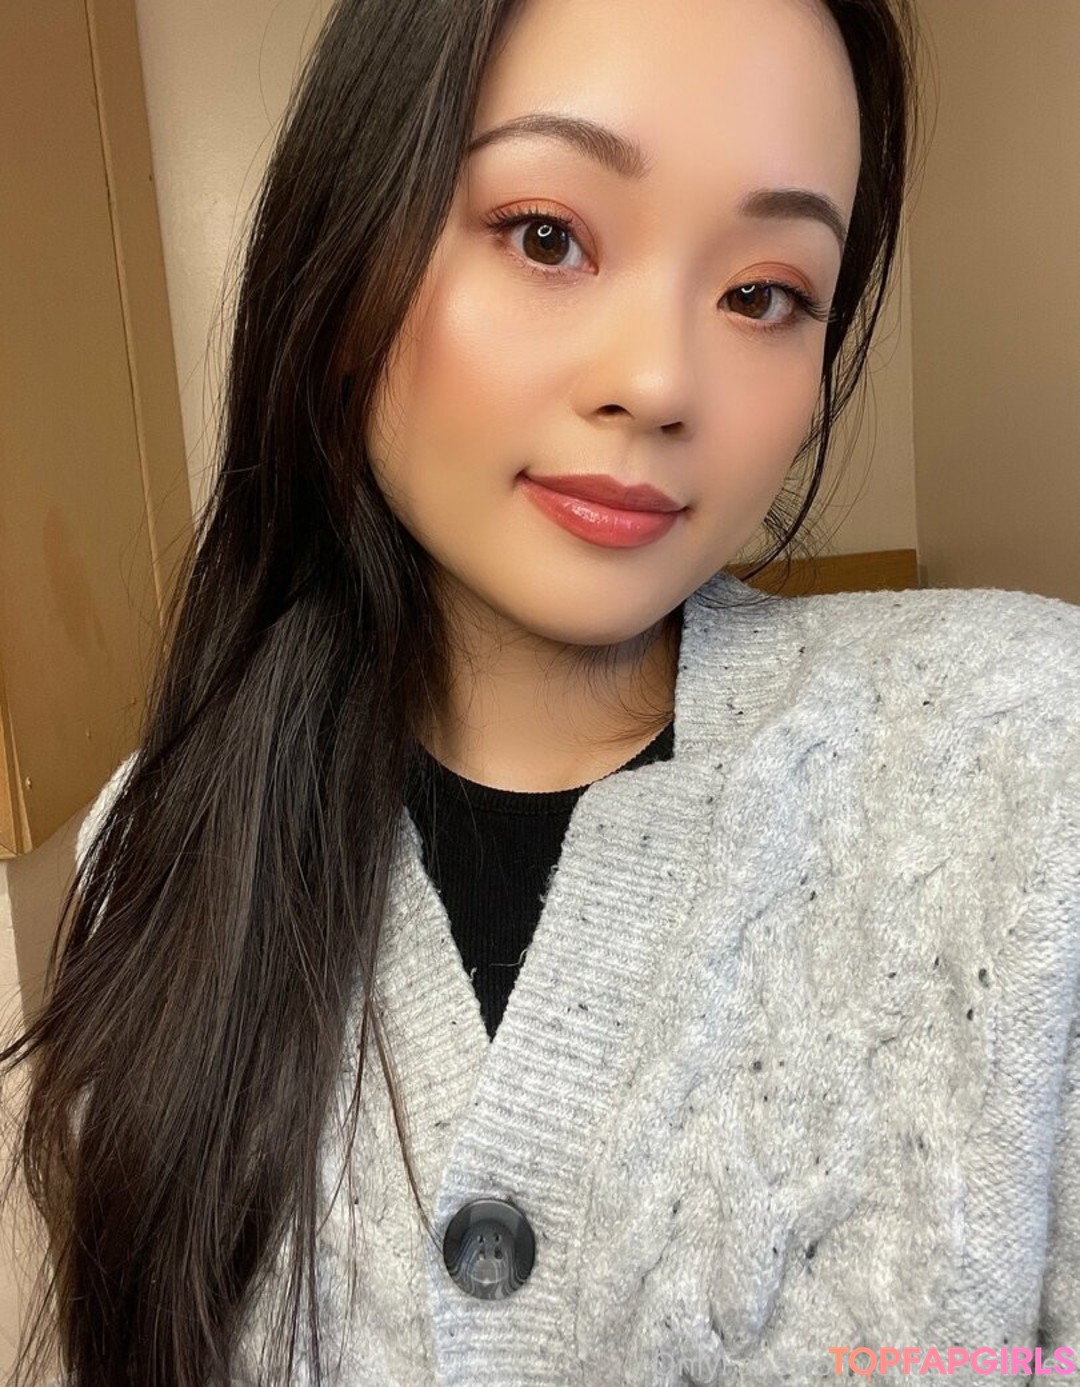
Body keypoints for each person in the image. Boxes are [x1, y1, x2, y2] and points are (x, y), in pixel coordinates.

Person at [2, 0, 1077, 1382]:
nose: (658, 382)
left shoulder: (1026, 764)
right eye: (546, 235)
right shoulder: (128, 882)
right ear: (348, 253)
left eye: (764, 293)